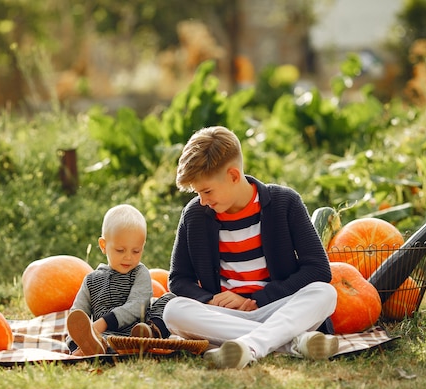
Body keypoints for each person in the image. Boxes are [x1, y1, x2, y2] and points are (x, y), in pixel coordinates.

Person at [162, 126, 339, 369]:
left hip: (278, 308)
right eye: (197, 192)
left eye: (207, 191)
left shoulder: (285, 202)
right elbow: (179, 279)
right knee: (173, 310)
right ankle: (294, 343)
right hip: (225, 316)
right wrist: (210, 300)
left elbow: (318, 269)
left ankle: (251, 346)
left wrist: (258, 300)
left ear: (234, 175)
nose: (202, 200)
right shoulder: (195, 214)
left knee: (324, 293)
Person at [66, 204, 173, 356]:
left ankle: (149, 336)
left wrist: (104, 322)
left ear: (142, 247)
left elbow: (137, 305)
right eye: (120, 250)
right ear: (103, 246)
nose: (128, 257)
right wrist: (75, 341)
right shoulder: (91, 280)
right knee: (80, 322)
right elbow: (77, 314)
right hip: (105, 338)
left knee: (171, 300)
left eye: (136, 251)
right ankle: (89, 348)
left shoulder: (139, 272)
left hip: (138, 333)